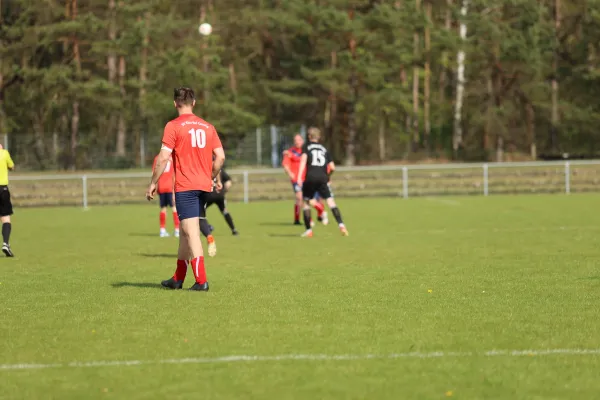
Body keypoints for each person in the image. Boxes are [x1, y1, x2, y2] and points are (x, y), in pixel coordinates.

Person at [146, 87, 225, 291]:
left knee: (191, 232)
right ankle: (178, 278)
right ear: (194, 103)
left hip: (186, 187)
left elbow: (163, 157)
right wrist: (211, 176)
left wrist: (153, 182)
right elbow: (221, 157)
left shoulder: (173, 126)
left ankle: (201, 281)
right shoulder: (208, 126)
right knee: (184, 230)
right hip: (203, 186)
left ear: (175, 103)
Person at [297, 127, 348, 237]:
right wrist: (328, 176)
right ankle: (341, 225)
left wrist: (299, 177)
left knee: (305, 203)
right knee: (331, 202)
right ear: (319, 137)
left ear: (309, 136)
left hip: (310, 178)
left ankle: (308, 231)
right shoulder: (324, 149)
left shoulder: (306, 147)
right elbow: (333, 167)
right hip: (323, 178)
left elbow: (303, 161)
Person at [282, 134, 327, 225]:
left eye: (299, 140)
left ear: (302, 141)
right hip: (297, 180)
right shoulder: (290, 152)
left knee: (311, 199)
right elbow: (285, 164)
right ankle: (306, 220)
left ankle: (321, 211)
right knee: (300, 198)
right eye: (295, 140)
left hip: (309, 178)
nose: (297, 142)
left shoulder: (307, 150)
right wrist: (290, 173)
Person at [204, 168, 239, 236]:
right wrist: (224, 191)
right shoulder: (219, 170)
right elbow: (228, 183)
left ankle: (208, 227)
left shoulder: (205, 169)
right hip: (219, 195)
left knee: (200, 212)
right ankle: (234, 230)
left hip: (209, 195)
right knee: (225, 211)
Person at [152, 155, 180, 237]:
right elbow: (175, 174)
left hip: (161, 187)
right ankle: (177, 230)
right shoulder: (173, 158)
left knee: (163, 208)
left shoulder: (157, 158)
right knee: (174, 208)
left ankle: (162, 230)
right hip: (170, 187)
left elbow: (154, 172)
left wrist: (155, 186)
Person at [0, 144, 15, 257]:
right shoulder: (4, 153)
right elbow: (12, 166)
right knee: (5, 218)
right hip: (2, 190)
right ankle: (5, 243)